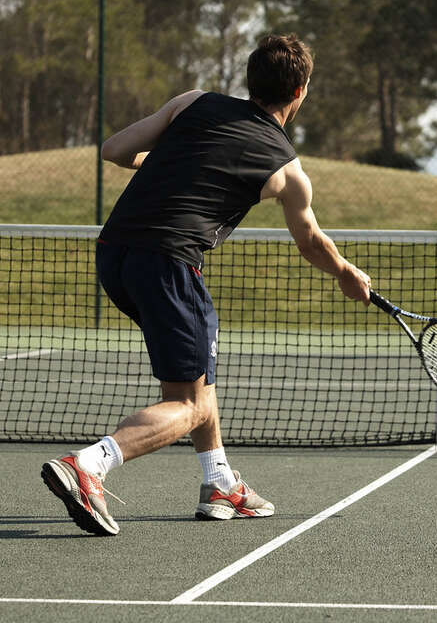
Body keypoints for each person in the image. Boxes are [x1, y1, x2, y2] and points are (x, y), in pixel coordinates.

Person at [41, 34, 371, 535]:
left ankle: (220, 482)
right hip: (170, 265)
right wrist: (347, 273)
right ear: (300, 91)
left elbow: (115, 150)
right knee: (191, 406)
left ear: (249, 78)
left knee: (196, 380)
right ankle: (89, 465)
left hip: (114, 257)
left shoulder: (194, 102)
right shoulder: (287, 169)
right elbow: (310, 241)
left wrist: (179, 166)